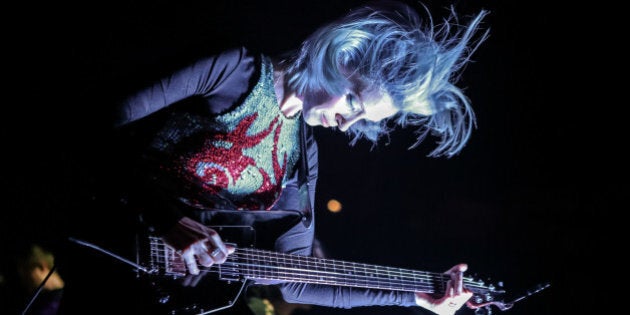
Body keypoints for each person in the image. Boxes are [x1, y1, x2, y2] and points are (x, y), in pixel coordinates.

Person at [61, 1, 489, 314]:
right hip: (100, 246)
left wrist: (415, 294)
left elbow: (297, 283)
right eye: (355, 102)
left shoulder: (304, 157)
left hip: (157, 297)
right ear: (341, 57)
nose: (346, 123)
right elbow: (92, 127)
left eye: (361, 119)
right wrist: (168, 220)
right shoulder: (234, 70)